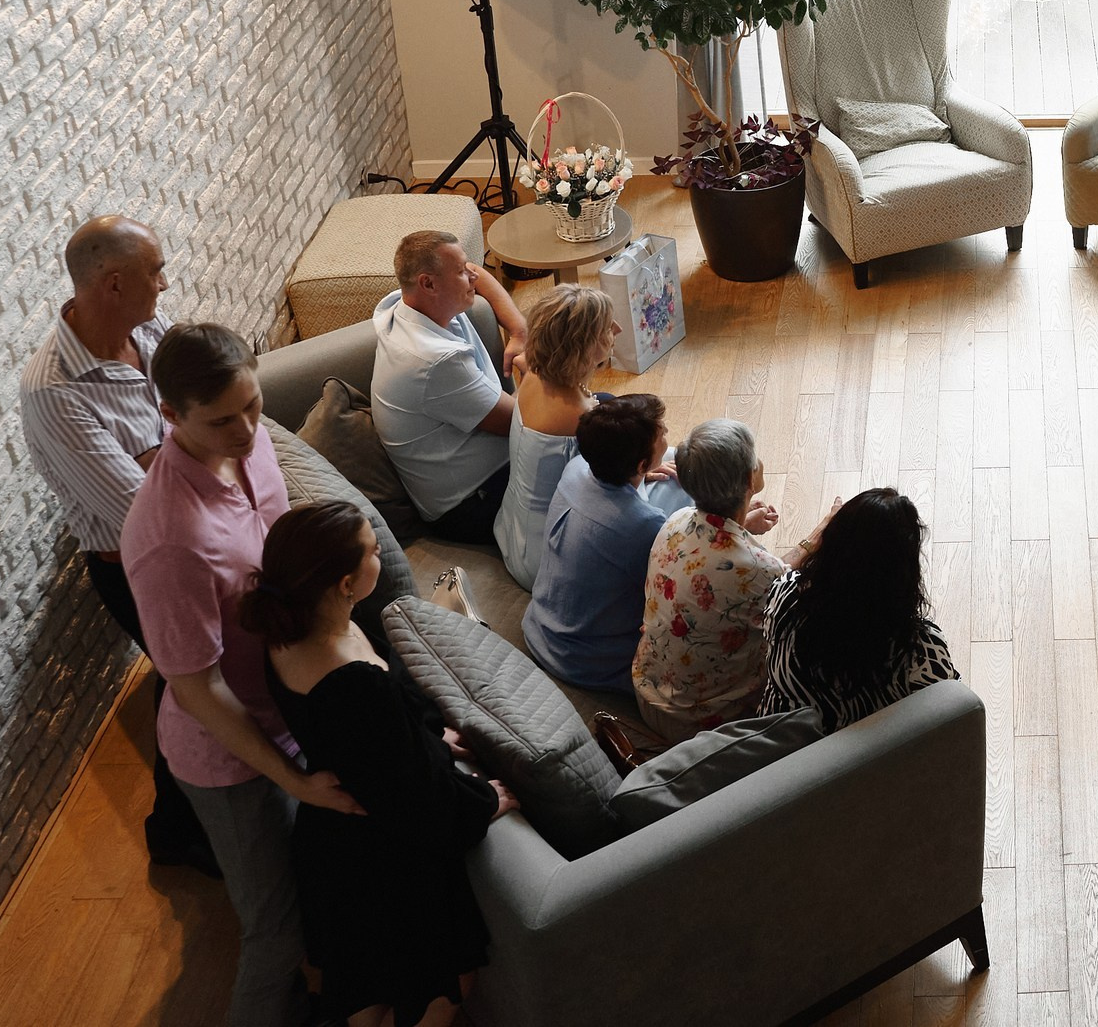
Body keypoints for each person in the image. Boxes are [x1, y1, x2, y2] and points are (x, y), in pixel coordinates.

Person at [122, 323, 362, 1027]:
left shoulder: (252, 445)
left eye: (253, 405)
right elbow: (198, 690)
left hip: (287, 711)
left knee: (309, 895)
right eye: (223, 420)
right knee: (274, 932)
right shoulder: (168, 539)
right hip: (228, 757)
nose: (248, 429)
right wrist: (292, 778)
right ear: (171, 415)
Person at [250, 501, 512, 1027]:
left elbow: (372, 744)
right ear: (346, 583)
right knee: (449, 984)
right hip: (382, 855)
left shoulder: (288, 633)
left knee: (365, 988)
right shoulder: (354, 683)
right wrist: (487, 800)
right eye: (372, 550)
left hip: (333, 836)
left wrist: (425, 731)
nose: (381, 554)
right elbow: (419, 794)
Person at [16, 214, 212, 872]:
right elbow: (146, 514)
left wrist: (164, 454)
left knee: (190, 677)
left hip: (188, 531)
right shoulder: (54, 392)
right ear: (114, 284)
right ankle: (175, 831)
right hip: (133, 566)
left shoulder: (146, 328)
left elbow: (200, 405)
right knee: (191, 682)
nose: (166, 283)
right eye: (156, 272)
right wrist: (180, 450)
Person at [632, 419, 796, 742]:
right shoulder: (761, 569)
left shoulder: (674, 522)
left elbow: (715, 556)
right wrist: (817, 538)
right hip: (702, 725)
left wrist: (742, 526)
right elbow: (777, 580)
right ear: (749, 479)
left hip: (647, 694)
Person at [370, 229, 532, 544]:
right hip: (469, 503)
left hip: (485, 469)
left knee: (602, 422)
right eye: (460, 272)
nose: (472, 276)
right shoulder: (434, 361)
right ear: (428, 284)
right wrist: (532, 368)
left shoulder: (408, 304)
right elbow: (521, 422)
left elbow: (478, 273)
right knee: (597, 428)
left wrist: (519, 330)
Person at [523, 394, 692, 693]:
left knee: (673, 477)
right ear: (640, 463)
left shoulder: (576, 468)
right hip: (586, 662)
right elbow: (683, 583)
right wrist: (737, 525)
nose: (667, 432)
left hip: (540, 628)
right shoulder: (643, 525)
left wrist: (640, 478)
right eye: (662, 432)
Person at [759, 487, 963, 730]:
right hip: (871, 754)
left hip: (783, 746)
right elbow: (952, 715)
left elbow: (782, 572)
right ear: (904, 572)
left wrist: (818, 538)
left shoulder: (783, 598)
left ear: (829, 548)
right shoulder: (920, 650)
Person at [491, 284, 619, 592]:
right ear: (583, 346)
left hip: (511, 528)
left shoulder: (535, 373)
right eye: (606, 328)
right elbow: (612, 489)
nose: (617, 329)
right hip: (546, 557)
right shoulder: (579, 416)